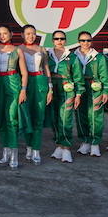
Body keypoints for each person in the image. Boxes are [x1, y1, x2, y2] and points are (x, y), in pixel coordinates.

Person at [0, 26, 27, 170]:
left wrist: (23, 90)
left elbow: (24, 73)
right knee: (1, 119)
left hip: (13, 82)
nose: (2, 36)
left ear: (11, 34)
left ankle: (14, 153)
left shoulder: (17, 50)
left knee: (12, 118)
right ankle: (5, 151)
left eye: (5, 33)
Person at [74, 31, 108, 157]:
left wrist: (106, 91)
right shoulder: (72, 55)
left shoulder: (99, 56)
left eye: (88, 40)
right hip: (78, 87)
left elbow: (104, 74)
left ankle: (95, 143)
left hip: (95, 87)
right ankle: (84, 142)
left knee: (95, 115)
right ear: (78, 41)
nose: (86, 43)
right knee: (80, 115)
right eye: (83, 40)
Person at [18, 25, 53, 165]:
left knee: (39, 117)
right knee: (27, 116)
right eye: (28, 34)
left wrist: (50, 88)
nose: (31, 36)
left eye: (33, 34)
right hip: (25, 84)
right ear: (22, 35)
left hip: (40, 82)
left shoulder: (42, 49)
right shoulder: (18, 49)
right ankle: (28, 147)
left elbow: (46, 67)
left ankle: (36, 149)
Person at [46, 30, 84, 163]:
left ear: (66, 40)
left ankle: (67, 148)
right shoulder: (47, 54)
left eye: (62, 38)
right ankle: (59, 145)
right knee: (54, 116)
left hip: (67, 87)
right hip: (51, 87)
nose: (59, 41)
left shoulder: (72, 56)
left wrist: (78, 94)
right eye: (56, 38)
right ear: (52, 40)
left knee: (66, 117)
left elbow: (78, 76)